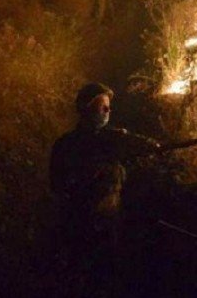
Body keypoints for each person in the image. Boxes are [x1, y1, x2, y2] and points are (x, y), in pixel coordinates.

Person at [49, 83, 161, 260]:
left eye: (109, 106)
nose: (108, 110)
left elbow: (148, 146)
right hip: (77, 227)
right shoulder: (66, 145)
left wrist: (153, 148)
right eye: (103, 106)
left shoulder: (114, 138)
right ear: (87, 108)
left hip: (108, 226)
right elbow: (56, 185)